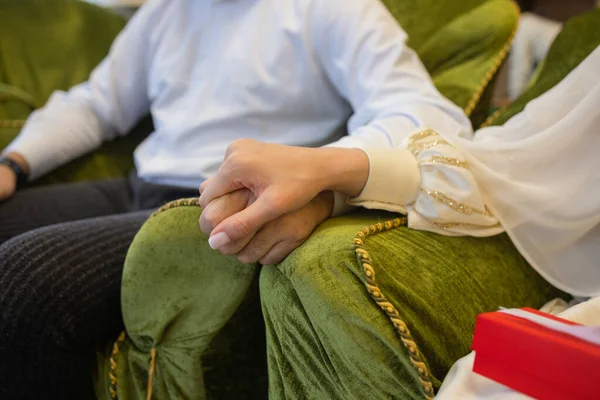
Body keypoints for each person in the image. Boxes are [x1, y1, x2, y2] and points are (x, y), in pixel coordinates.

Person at [0, 0, 471, 398]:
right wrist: (13, 164)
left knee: (28, 278)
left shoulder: (331, 7)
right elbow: (96, 103)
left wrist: (317, 171)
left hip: (217, 203)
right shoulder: (167, 9)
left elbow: (425, 113)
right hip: (137, 182)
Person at [200, 44, 600, 297]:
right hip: (189, 185)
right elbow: (517, 166)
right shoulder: (163, 13)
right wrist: (327, 181)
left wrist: (324, 175)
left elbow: (429, 114)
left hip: (221, 191)